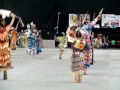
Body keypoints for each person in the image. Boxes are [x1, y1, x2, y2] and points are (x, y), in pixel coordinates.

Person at [0, 13, 16, 80]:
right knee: (3, 60)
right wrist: (13, 18)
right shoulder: (6, 29)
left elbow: (11, 24)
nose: (3, 22)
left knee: (4, 60)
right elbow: (11, 24)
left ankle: (5, 73)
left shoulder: (6, 28)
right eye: (2, 21)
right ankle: (5, 73)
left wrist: (13, 18)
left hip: (4, 47)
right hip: (2, 47)